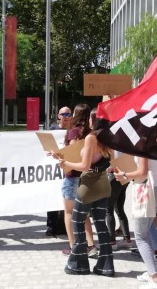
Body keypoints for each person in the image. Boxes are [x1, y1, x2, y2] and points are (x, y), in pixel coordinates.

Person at [48, 106, 114, 276]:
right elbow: (110, 162)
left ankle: (79, 263)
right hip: (103, 184)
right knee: (100, 224)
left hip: (89, 185)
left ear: (93, 120)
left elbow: (84, 165)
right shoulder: (108, 137)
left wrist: (66, 164)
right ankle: (106, 265)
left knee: (77, 222)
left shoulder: (91, 138)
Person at [113, 129, 157, 288]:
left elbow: (142, 173)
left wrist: (124, 176)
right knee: (146, 229)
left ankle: (155, 277)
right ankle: (151, 270)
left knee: (141, 236)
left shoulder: (144, 143)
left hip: (146, 191)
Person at [52, 104, 97, 256]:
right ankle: (91, 245)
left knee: (69, 213)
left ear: (76, 115)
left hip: (72, 177)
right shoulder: (91, 133)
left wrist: (58, 155)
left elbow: (72, 153)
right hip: (87, 177)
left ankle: (73, 246)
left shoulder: (74, 132)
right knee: (83, 214)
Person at [46, 106, 72, 237]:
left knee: (67, 198)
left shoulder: (74, 131)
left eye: (69, 114)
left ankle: (64, 226)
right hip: (53, 169)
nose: (67, 116)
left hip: (68, 167)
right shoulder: (52, 130)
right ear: (58, 116)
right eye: (64, 114)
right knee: (52, 195)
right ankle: (51, 226)